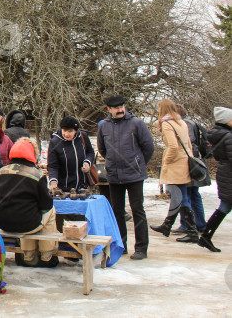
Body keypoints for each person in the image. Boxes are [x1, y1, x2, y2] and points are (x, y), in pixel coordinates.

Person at [97, 94, 154, 260]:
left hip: (134, 175)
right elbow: (102, 149)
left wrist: (138, 163)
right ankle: (121, 245)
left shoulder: (136, 123)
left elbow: (148, 147)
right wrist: (111, 163)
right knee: (117, 212)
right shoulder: (104, 126)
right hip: (114, 175)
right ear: (109, 109)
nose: (120, 110)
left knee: (138, 211)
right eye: (116, 108)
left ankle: (141, 248)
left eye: (122, 106)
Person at [0, 139, 59, 267]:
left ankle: (28, 255)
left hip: (2, 222)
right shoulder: (37, 175)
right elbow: (46, 205)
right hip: (27, 224)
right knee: (50, 212)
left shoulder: (1, 172)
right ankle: (47, 255)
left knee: (25, 213)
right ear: (32, 153)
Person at [151, 99, 198, 243]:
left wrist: (166, 162)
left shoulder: (167, 124)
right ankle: (168, 225)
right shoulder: (180, 121)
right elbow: (188, 144)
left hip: (175, 164)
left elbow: (172, 146)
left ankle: (192, 231)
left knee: (180, 197)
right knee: (180, 195)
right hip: (184, 161)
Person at [172, 104, 209, 235]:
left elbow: (188, 144)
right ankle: (200, 224)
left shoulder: (184, 124)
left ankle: (187, 225)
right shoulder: (192, 123)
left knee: (186, 194)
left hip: (188, 164)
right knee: (194, 194)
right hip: (195, 163)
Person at [199, 106, 232, 252]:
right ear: (226, 121)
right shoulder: (229, 136)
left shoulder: (218, 134)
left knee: (224, 207)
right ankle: (205, 237)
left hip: (225, 172)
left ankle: (206, 236)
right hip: (229, 174)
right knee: (224, 207)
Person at [47, 116, 95, 192]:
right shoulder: (55, 142)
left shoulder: (83, 137)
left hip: (83, 186)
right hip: (64, 187)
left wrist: (87, 162)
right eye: (64, 131)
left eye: (70, 131)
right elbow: (52, 166)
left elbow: (90, 152)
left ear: (75, 131)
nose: (67, 134)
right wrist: (53, 181)